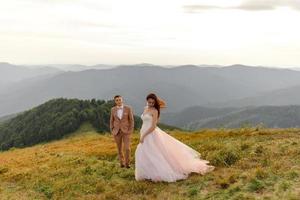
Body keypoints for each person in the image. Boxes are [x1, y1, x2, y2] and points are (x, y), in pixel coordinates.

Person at [135, 93, 214, 182]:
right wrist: (142, 133)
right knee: (145, 152)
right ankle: (147, 173)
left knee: (155, 153)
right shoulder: (145, 108)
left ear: (155, 103)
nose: (150, 104)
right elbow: (144, 122)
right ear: (147, 101)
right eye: (149, 102)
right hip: (144, 131)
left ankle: (158, 172)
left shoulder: (155, 111)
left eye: (152, 103)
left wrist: (144, 135)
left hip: (150, 133)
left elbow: (153, 126)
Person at [110, 95, 134, 168]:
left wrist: (130, 130)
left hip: (126, 131)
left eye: (119, 99)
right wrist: (112, 129)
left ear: (122, 100)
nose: (118, 101)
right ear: (115, 101)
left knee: (127, 148)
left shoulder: (128, 108)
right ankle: (122, 163)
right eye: (117, 100)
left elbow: (131, 120)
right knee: (119, 149)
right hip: (116, 132)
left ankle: (127, 164)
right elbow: (111, 120)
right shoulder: (113, 109)